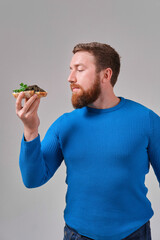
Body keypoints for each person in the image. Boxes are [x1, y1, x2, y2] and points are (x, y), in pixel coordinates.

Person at [15, 42, 160, 240]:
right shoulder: (64, 124)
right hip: (78, 236)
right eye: (70, 70)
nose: (70, 78)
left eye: (80, 70)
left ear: (106, 75)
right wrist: (30, 129)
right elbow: (33, 179)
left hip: (134, 234)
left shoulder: (147, 120)